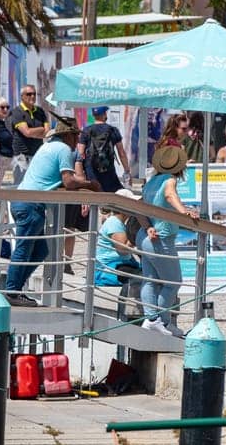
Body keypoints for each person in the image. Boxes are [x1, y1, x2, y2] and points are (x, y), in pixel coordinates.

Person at [4, 116, 99, 307]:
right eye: (75, 137)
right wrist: (91, 184)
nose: (76, 142)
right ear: (69, 136)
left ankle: (16, 289)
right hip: (32, 203)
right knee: (25, 248)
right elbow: (68, 181)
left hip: (25, 201)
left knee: (40, 249)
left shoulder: (48, 146)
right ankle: (12, 291)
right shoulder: (63, 149)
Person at [139, 145, 197, 335]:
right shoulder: (169, 180)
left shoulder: (151, 181)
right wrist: (185, 212)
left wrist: (147, 226)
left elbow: (138, 208)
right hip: (161, 239)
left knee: (149, 281)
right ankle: (162, 321)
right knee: (173, 282)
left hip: (145, 235)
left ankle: (151, 319)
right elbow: (169, 195)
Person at [78, 105, 130, 194]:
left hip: (91, 172)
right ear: (105, 114)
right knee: (114, 198)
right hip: (109, 171)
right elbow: (121, 153)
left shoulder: (86, 131)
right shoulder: (113, 130)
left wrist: (80, 173)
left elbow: (80, 153)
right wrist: (127, 171)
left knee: (93, 199)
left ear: (94, 115)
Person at [9, 85, 48, 182]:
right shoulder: (16, 112)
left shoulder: (40, 111)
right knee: (21, 188)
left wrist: (33, 132)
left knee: (36, 185)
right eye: (29, 94)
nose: (32, 96)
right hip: (22, 157)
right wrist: (41, 129)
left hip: (37, 155)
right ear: (22, 96)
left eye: (34, 94)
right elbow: (27, 132)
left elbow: (47, 132)